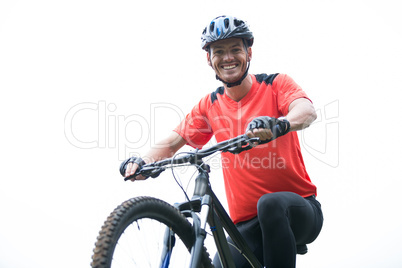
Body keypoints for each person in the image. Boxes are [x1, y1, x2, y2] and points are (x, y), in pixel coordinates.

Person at [123, 15, 323, 268]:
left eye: (235, 49)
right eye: (219, 52)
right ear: (210, 59)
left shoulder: (275, 84)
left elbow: (305, 111)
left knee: (270, 203)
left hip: (299, 210)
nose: (227, 58)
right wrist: (143, 160)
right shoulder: (210, 105)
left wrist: (278, 124)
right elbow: (173, 142)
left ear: (248, 53)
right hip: (246, 229)